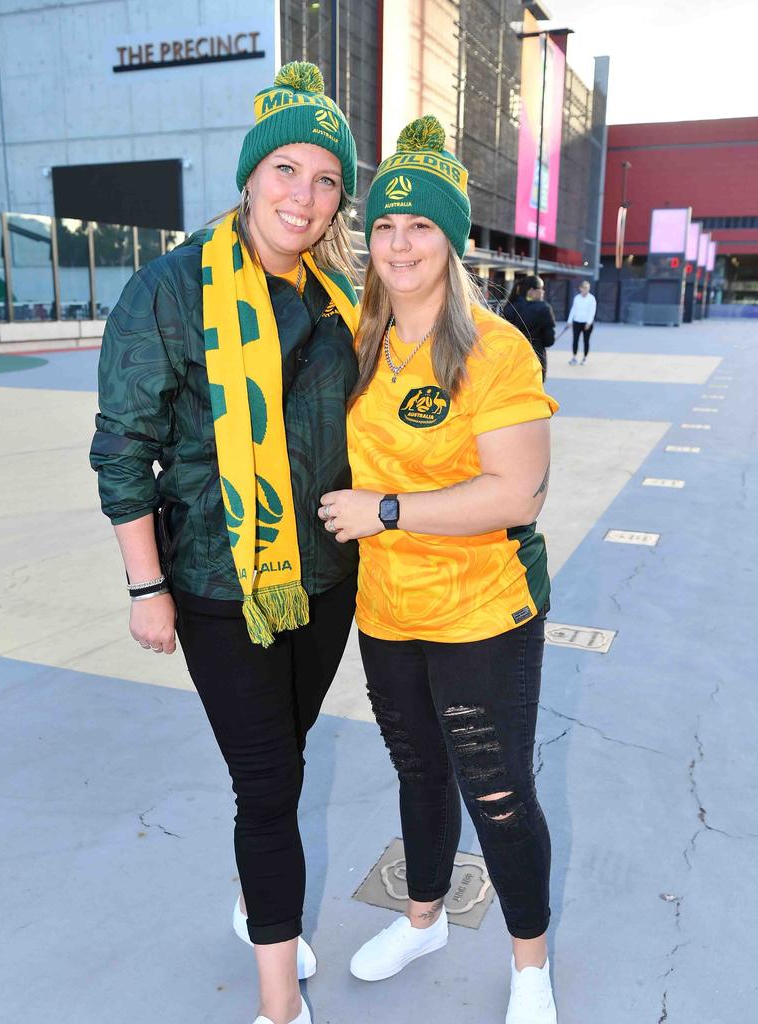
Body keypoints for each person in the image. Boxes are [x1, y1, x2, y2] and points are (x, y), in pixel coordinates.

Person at [90, 62, 361, 1024]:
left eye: (327, 178)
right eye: (287, 169)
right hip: (215, 578)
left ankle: (260, 899)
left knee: (282, 760)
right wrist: (143, 587)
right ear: (249, 176)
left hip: (330, 577)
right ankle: (279, 1003)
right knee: (268, 783)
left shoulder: (341, 298)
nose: (305, 194)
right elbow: (124, 448)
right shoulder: (169, 291)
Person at [317, 116, 560, 1024]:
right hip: (388, 609)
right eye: (383, 225)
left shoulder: (496, 349)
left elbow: (517, 495)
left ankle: (529, 964)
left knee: (497, 792)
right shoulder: (359, 344)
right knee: (418, 774)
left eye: (420, 225)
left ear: (451, 239)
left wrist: (385, 510)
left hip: (484, 610)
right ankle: (422, 919)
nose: (399, 242)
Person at [503, 275, 557, 379]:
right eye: (541, 288)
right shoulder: (544, 308)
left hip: (512, 359)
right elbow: (549, 340)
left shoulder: (509, 307)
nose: (543, 292)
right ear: (531, 290)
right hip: (535, 358)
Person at [566, 280, 597, 365]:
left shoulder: (592, 298)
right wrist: (569, 321)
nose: (586, 290)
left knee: (586, 340)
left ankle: (585, 358)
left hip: (587, 323)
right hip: (577, 322)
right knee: (575, 340)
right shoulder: (577, 298)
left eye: (587, 288)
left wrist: (589, 323)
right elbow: (573, 310)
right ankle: (574, 357)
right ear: (580, 288)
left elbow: (592, 311)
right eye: (584, 288)